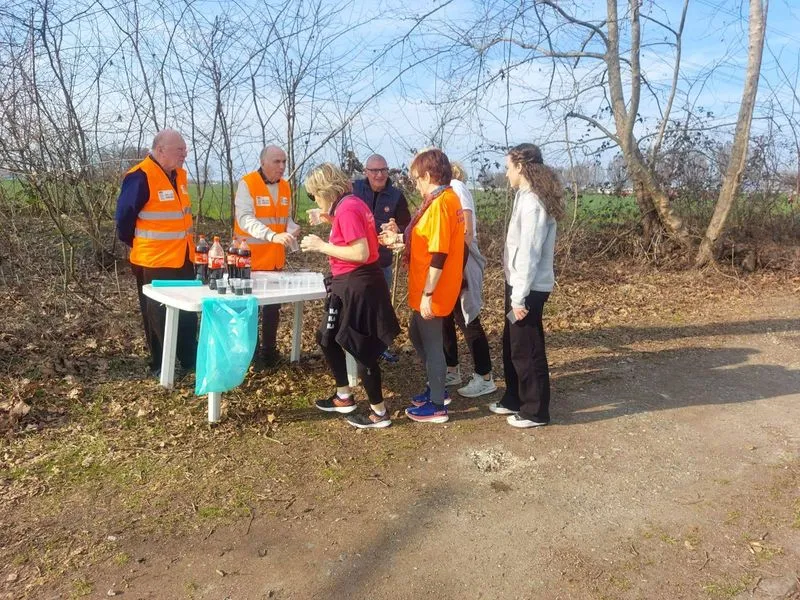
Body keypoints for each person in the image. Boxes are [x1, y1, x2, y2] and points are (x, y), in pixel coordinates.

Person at [300, 163, 400, 429]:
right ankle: (344, 396)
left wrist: (321, 246)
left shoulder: (348, 208)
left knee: (361, 347)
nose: (314, 199)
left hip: (359, 284)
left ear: (324, 190)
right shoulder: (347, 205)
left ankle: (379, 412)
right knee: (327, 337)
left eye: (314, 194)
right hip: (346, 282)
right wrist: (325, 217)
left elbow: (360, 253)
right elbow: (349, 234)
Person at [381, 148, 464, 424]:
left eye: (417, 178)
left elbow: (439, 253)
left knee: (431, 344)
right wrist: (400, 239)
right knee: (418, 335)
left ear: (428, 175)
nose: (415, 184)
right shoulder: (436, 201)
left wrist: (429, 294)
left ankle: (438, 404)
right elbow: (426, 241)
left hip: (435, 289)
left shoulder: (442, 204)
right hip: (425, 286)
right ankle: (436, 386)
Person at [490, 143, 564, 428]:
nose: (507, 173)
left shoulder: (534, 203)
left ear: (521, 166)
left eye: (508, 167)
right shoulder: (524, 196)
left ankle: (535, 411)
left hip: (529, 288)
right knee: (511, 342)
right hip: (517, 284)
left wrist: (518, 298)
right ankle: (514, 398)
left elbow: (531, 253)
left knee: (527, 348)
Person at [114, 129, 197, 378]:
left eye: (185, 149)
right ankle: (163, 364)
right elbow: (124, 220)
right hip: (154, 260)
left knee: (187, 312)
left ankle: (188, 359)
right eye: (179, 149)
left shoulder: (179, 176)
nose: (185, 154)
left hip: (183, 258)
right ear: (160, 150)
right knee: (157, 315)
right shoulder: (140, 176)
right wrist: (141, 243)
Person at [234, 145, 300, 367]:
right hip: (248, 261)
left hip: (274, 261)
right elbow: (245, 219)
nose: (282, 167)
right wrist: (272, 235)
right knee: (249, 309)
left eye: (284, 162)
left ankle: (269, 352)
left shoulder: (285, 187)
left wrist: (292, 229)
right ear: (263, 162)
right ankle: (249, 354)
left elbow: (285, 219)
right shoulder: (247, 184)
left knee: (273, 308)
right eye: (276, 162)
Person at [442, 162, 497, 398]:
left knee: (468, 319)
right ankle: (451, 369)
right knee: (447, 317)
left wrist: (457, 267)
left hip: (462, 266)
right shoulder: (444, 192)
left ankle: (485, 377)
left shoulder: (456, 187)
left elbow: (467, 231)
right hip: (448, 266)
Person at [352, 154, 411, 364]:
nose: (379, 175)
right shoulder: (354, 189)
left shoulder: (396, 196)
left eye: (383, 170)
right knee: (357, 307)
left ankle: (380, 348)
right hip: (354, 261)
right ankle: (355, 348)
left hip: (381, 262)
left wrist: (397, 229)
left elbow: (408, 227)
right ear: (366, 172)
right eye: (374, 171)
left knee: (380, 307)